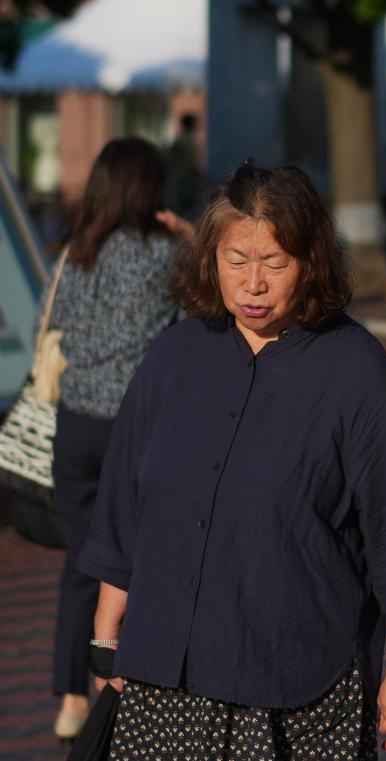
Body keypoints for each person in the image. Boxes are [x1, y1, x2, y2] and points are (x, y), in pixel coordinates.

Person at [75, 162, 386, 759]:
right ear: (211, 258)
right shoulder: (173, 357)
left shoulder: (357, 371)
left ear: (312, 261)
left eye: (275, 263)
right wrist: (105, 640)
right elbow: (125, 509)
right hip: (163, 681)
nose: (253, 284)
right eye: (236, 260)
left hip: (300, 687)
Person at [49, 137, 181, 743]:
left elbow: (48, 325)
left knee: (82, 563)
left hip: (74, 424)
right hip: (136, 428)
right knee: (137, 562)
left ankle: (71, 699)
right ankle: (124, 687)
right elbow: (204, 308)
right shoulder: (163, 254)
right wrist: (190, 233)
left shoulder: (73, 253)